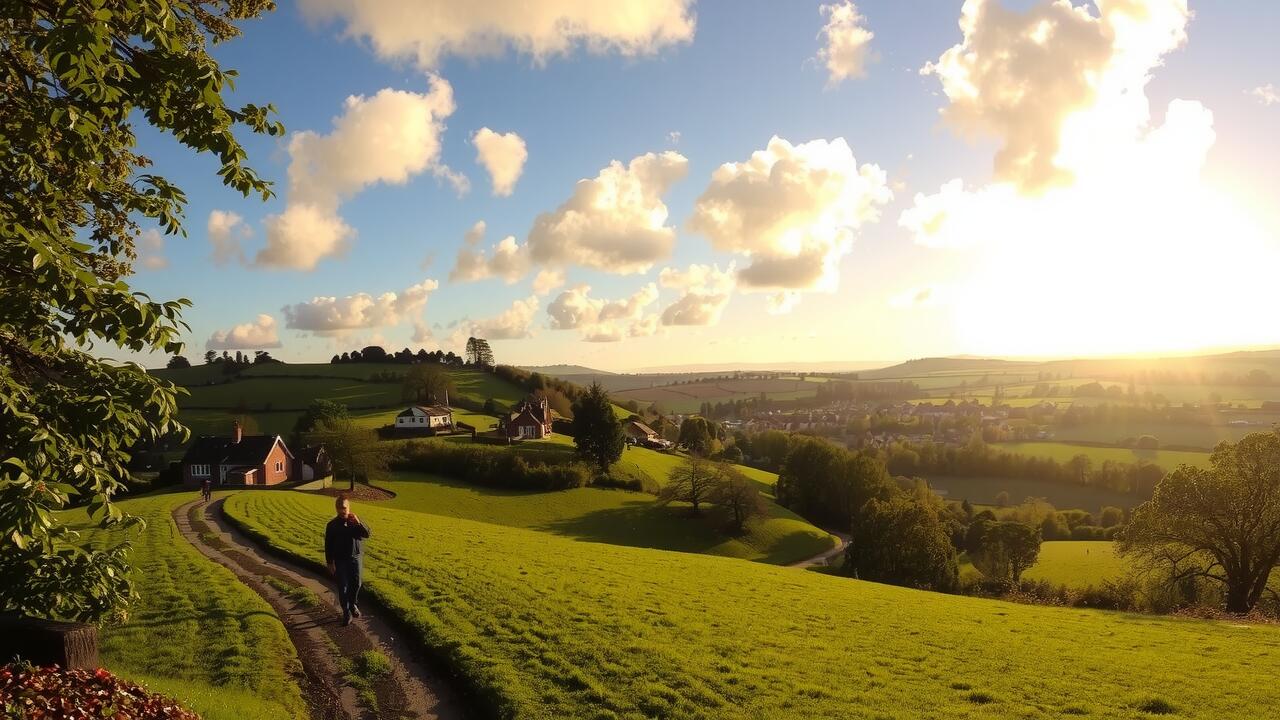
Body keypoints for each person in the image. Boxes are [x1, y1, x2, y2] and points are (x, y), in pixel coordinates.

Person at [324, 494, 371, 626]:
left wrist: (358, 522)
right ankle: (346, 612)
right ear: (336, 508)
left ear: (348, 508)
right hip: (340, 560)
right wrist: (329, 562)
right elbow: (328, 544)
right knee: (343, 587)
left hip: (355, 558)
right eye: (339, 507)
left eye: (344, 507)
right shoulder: (332, 525)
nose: (341, 510)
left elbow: (367, 534)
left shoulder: (355, 521)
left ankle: (353, 605)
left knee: (357, 584)